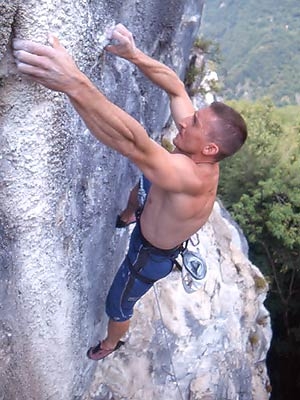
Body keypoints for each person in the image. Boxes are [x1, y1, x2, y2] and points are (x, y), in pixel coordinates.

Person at [12, 23, 247, 360]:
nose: (185, 120)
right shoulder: (193, 146)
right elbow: (178, 90)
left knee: (118, 304)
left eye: (194, 123)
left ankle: (111, 343)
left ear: (209, 149)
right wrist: (133, 54)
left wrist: (74, 83)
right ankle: (129, 214)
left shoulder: (189, 176)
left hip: (150, 253)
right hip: (160, 195)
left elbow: (133, 142)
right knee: (146, 184)